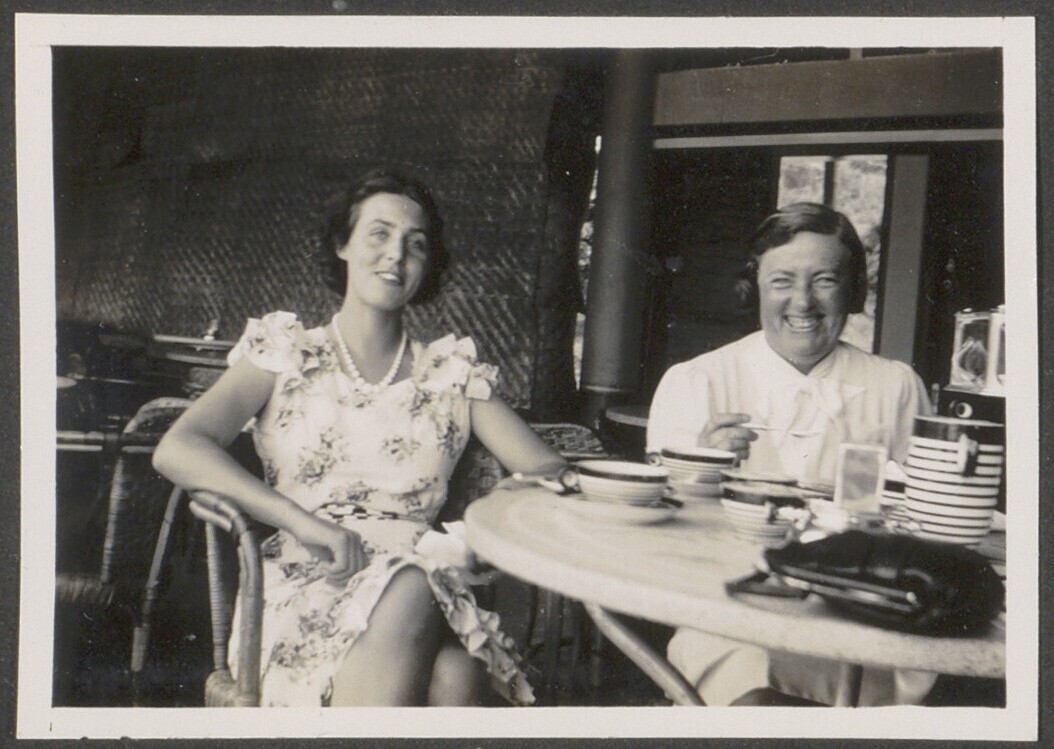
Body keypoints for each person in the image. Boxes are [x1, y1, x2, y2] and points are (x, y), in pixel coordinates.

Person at [153, 169, 566, 707]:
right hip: (309, 581)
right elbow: (178, 448)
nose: (396, 254)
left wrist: (482, 531)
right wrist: (298, 520)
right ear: (342, 244)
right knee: (453, 672)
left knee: (450, 654)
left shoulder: (449, 373)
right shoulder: (287, 353)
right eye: (379, 233)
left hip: (424, 587)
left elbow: (551, 471)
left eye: (416, 244)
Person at [647, 202, 935, 707]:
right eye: (782, 281)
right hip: (729, 617)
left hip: (865, 624)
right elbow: (656, 537)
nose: (802, 302)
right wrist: (698, 471)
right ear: (755, 285)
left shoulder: (895, 387)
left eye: (825, 280)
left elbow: (929, 523)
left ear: (853, 290)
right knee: (751, 686)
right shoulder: (697, 382)